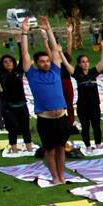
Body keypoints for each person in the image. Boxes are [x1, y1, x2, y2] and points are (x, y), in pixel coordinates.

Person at [20, 17, 69, 184]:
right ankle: (55, 177)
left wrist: (49, 30)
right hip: (45, 120)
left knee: (61, 149)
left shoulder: (55, 70)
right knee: (50, 151)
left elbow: (55, 50)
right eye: (42, 61)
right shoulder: (32, 74)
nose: (46, 63)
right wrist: (24, 31)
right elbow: (24, 54)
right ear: (36, 63)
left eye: (47, 61)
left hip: (61, 118)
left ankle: (62, 176)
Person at [0, 42, 33, 153]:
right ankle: (14, 150)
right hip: (8, 107)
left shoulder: (19, 71)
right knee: (12, 128)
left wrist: (20, 44)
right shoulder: (1, 75)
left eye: (10, 61)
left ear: (14, 63)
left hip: (22, 105)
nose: (8, 63)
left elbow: (23, 57)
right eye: (5, 62)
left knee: (25, 128)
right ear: (2, 65)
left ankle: (29, 148)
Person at [69, 38, 103, 151]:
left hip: (95, 105)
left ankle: (98, 144)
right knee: (85, 127)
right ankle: (88, 146)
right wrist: (60, 53)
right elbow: (66, 65)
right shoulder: (77, 74)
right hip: (82, 106)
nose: (86, 63)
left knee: (96, 126)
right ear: (79, 64)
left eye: (87, 61)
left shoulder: (93, 72)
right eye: (83, 62)